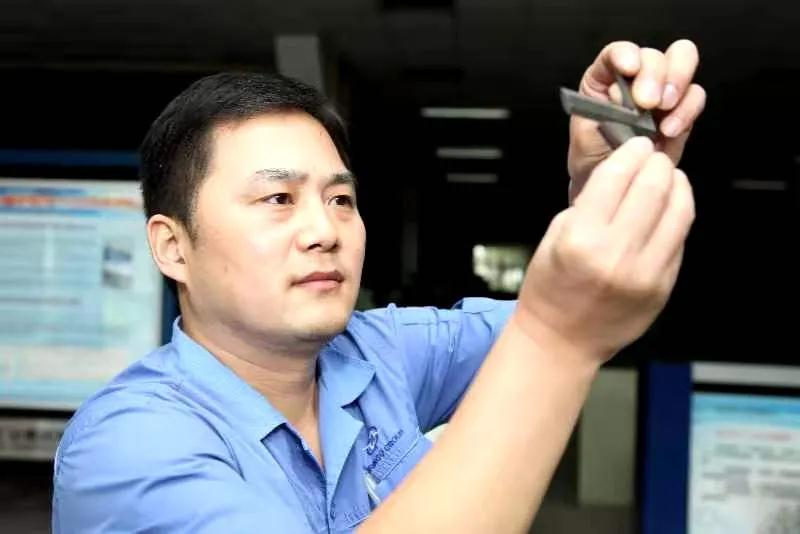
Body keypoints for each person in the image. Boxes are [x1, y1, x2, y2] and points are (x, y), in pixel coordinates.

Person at [52, 39, 705, 533]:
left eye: (341, 200)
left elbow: (598, 305)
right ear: (173, 247)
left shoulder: (376, 354)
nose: (324, 231)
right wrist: (557, 338)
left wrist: (611, 190)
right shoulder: (128, 448)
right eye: (279, 199)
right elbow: (556, 325)